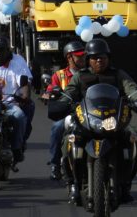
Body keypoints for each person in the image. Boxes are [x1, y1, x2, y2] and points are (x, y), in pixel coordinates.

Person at [60, 39, 137, 203]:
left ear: (108, 58)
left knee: (134, 137)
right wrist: (63, 101)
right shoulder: (80, 76)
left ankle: (125, 184)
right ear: (88, 59)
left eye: (102, 57)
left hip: (113, 120)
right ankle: (72, 183)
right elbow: (69, 92)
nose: (99, 60)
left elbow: (131, 89)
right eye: (95, 57)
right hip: (85, 121)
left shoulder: (118, 75)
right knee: (69, 140)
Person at [41, 40, 86, 180]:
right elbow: (49, 91)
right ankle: (55, 163)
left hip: (88, 113)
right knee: (57, 127)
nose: (83, 58)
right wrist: (48, 95)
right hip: (68, 113)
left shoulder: (89, 73)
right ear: (69, 58)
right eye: (79, 56)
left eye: (84, 56)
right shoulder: (59, 75)